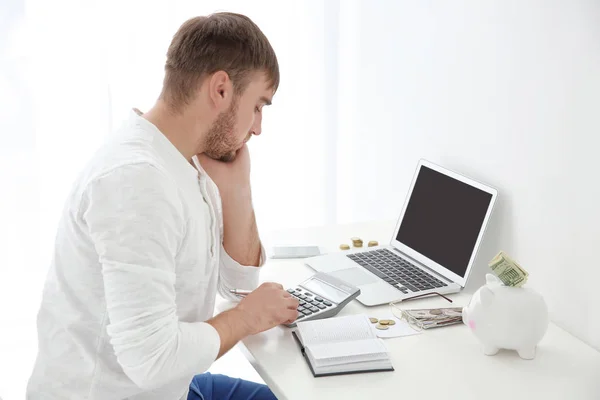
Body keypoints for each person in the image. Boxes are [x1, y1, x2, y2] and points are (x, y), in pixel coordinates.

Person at [26, 12, 298, 400]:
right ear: (221, 89)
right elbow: (153, 360)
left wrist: (238, 191)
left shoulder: (183, 158)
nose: (257, 128)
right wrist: (247, 318)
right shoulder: (138, 180)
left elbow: (239, 288)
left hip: (168, 385)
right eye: (258, 106)